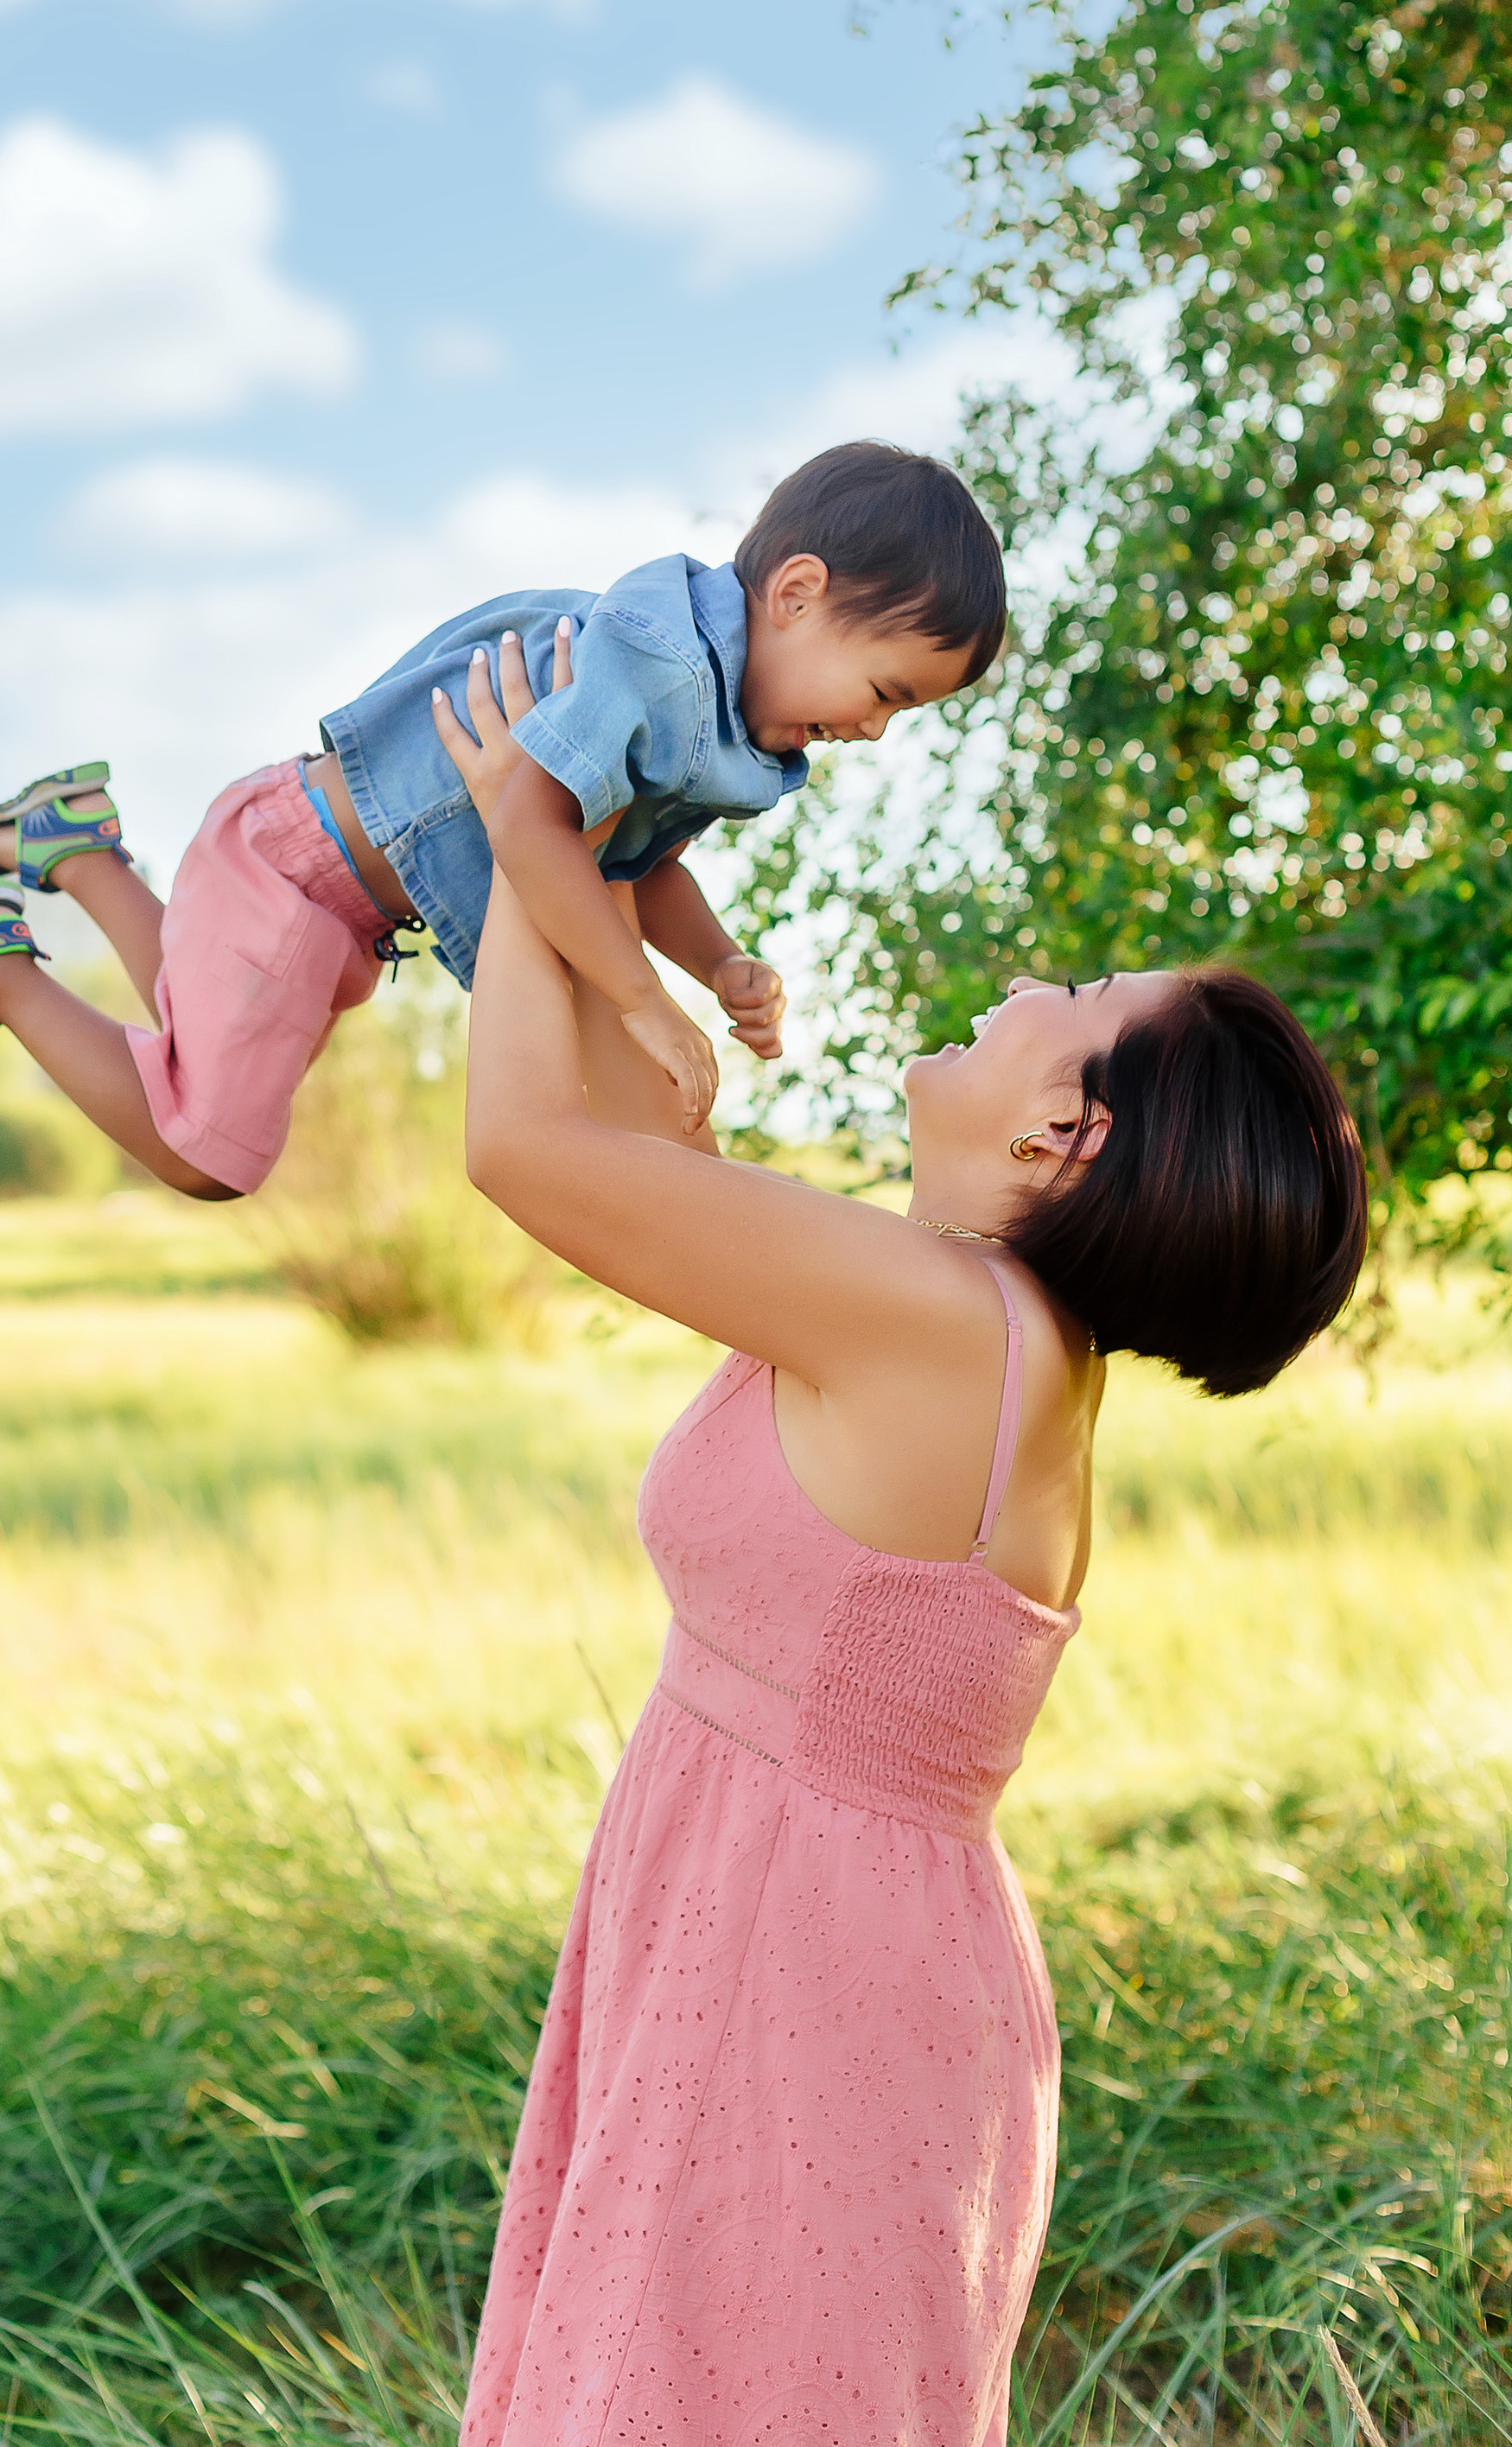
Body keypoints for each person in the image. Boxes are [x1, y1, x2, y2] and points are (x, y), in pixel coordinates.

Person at [434, 639, 1369, 2447]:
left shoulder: (949, 1333)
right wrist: (588, 865)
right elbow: (625, 1128)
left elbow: (520, 1147)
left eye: (1075, 992)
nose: (1025, 977)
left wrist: (512, 828)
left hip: (812, 1984)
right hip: (754, 1926)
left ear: (1058, 1127)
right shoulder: (940, 1304)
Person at [0, 442, 1005, 1201]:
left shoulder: (708, 710)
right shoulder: (649, 662)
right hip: (295, 867)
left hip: (328, 896)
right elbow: (537, 834)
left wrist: (717, 962)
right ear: (796, 595)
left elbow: (634, 866)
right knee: (204, 1155)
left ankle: (78, 847)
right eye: (887, 692)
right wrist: (644, 1003)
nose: (874, 732)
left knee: (195, 1047)